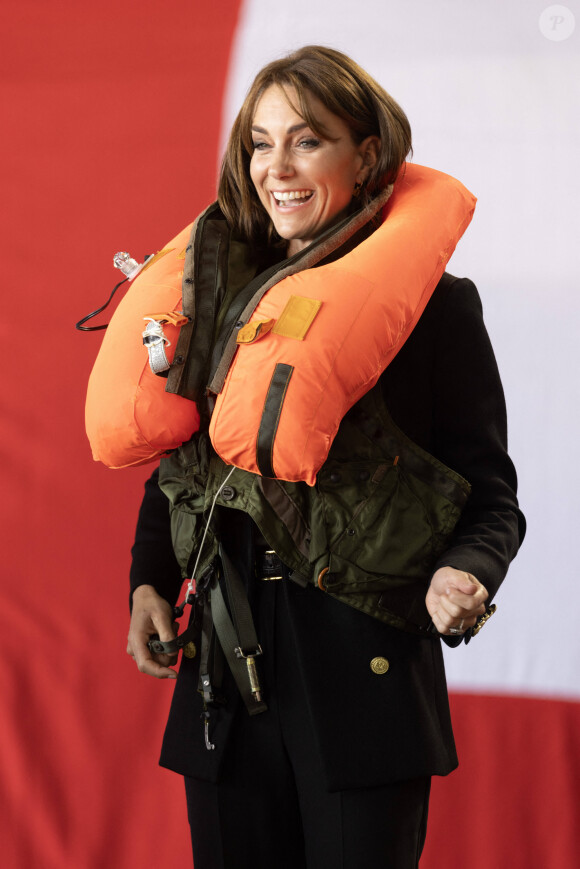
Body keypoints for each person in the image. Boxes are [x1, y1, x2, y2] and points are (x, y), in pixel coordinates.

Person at [126, 45, 525, 869]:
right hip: (225, 686)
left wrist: (468, 572)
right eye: (260, 143)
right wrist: (148, 580)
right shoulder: (221, 299)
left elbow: (492, 495)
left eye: (307, 140)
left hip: (363, 686)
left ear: (367, 153)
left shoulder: (435, 309)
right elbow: (188, 464)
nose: (278, 167)